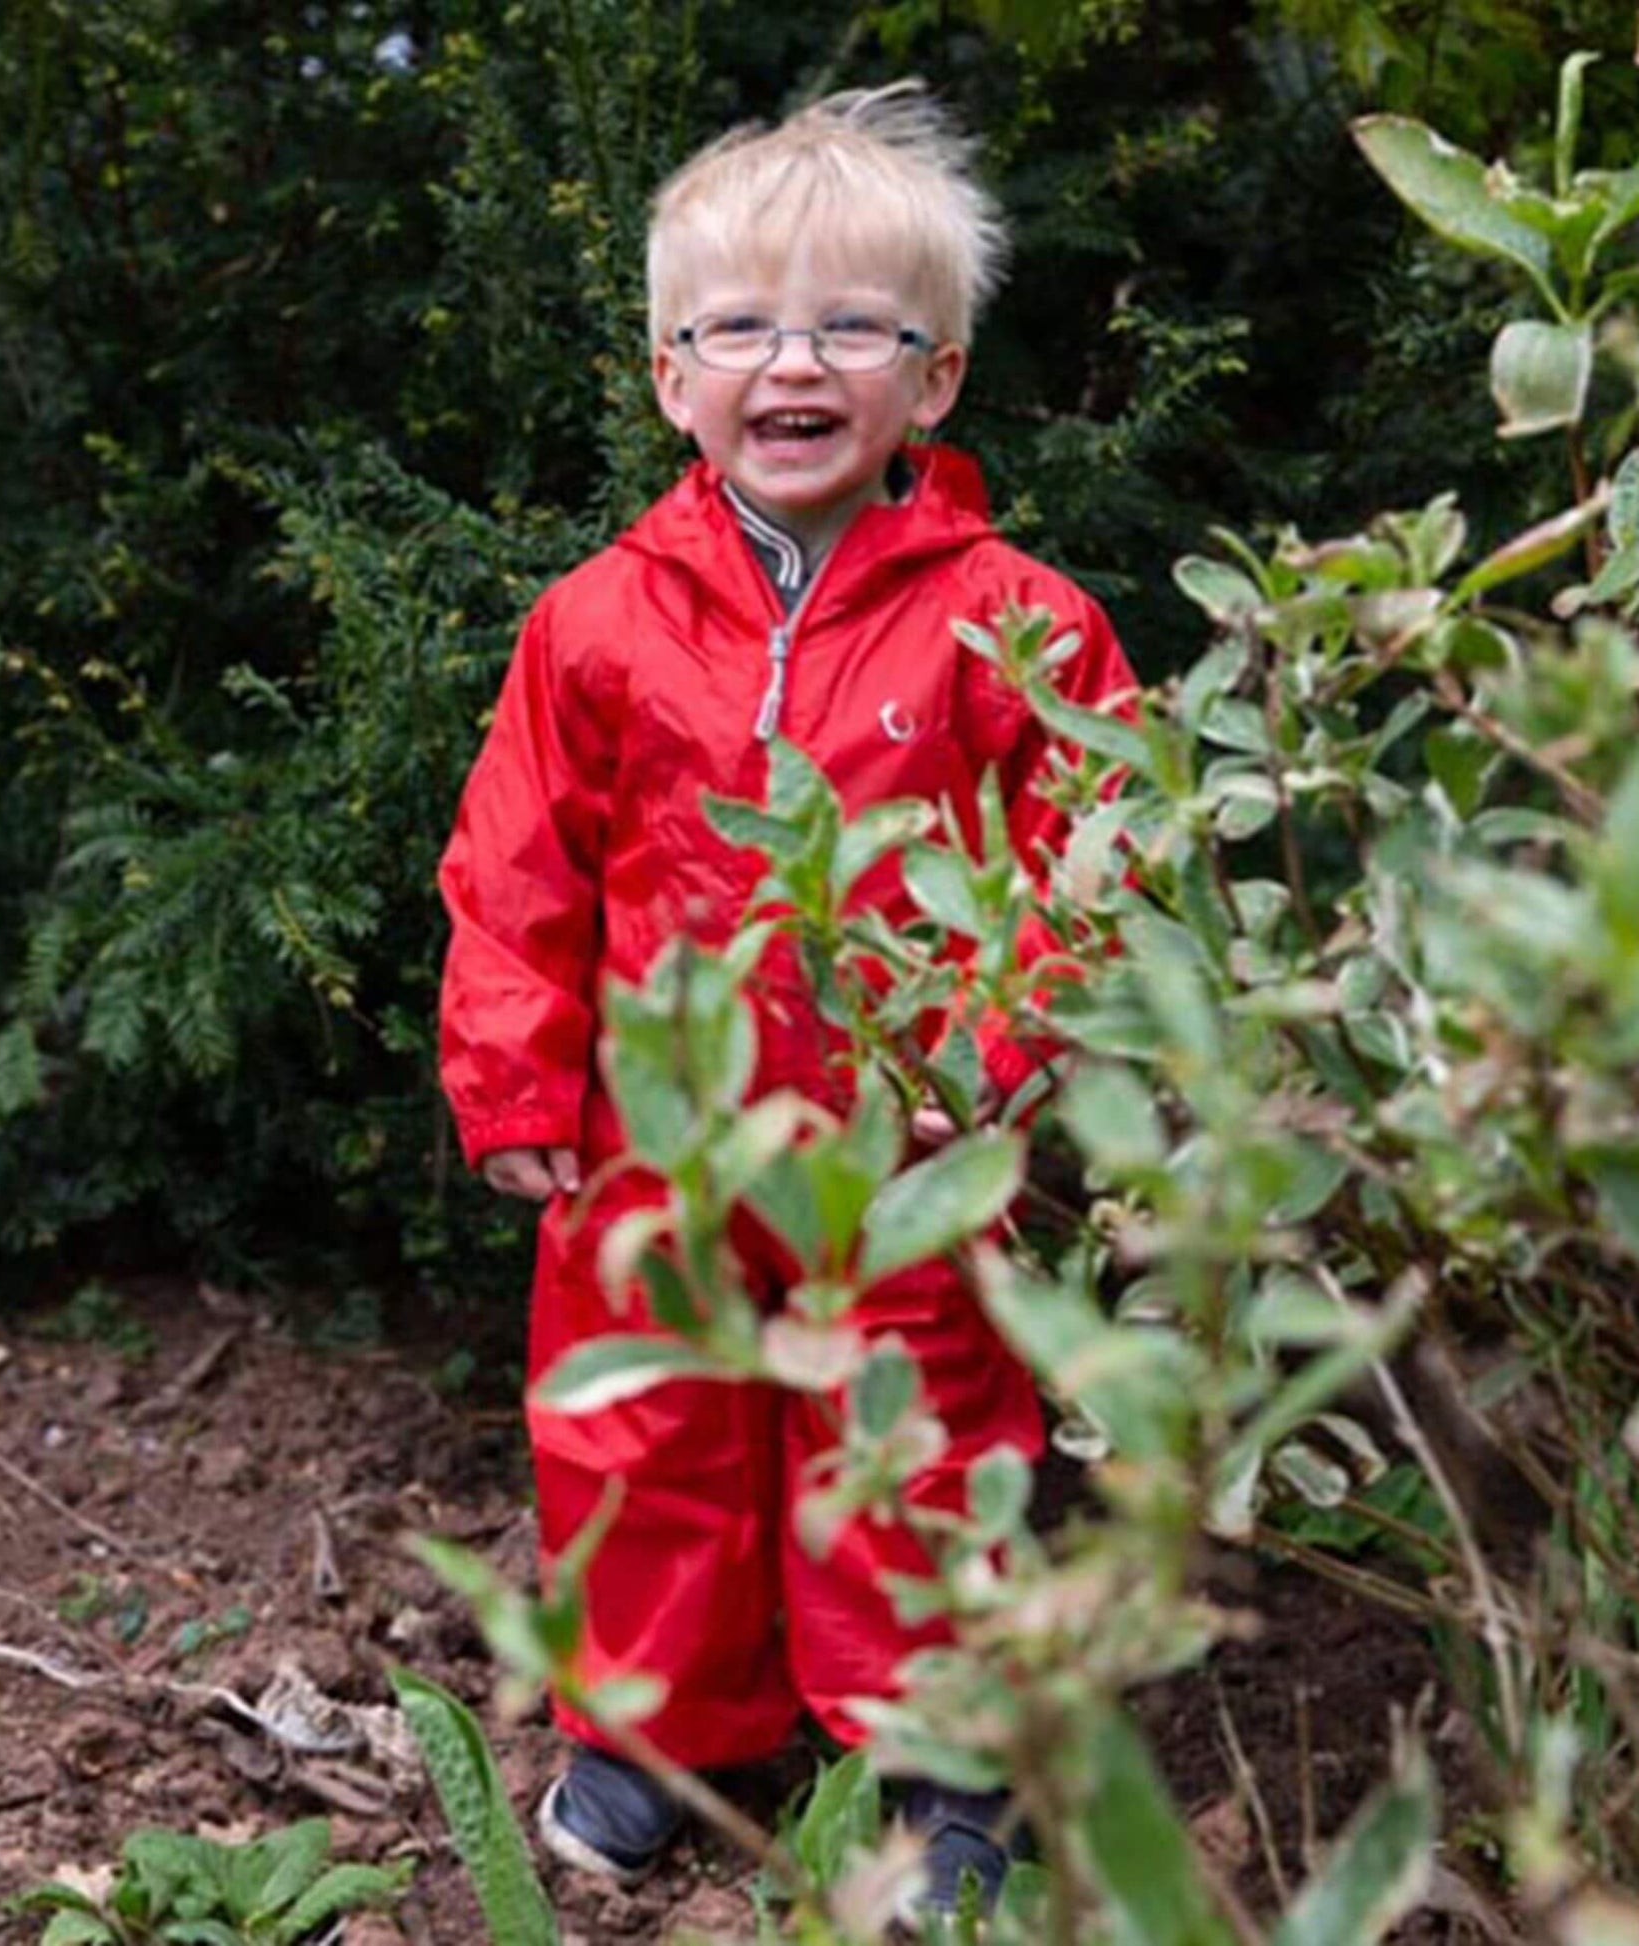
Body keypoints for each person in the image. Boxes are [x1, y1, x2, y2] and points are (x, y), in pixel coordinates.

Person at [437, 80, 1136, 1910]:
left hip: (895, 1136)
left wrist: (996, 1061)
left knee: (918, 1423)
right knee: (637, 1428)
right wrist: (516, 1088)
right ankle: (654, 1731)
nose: (792, 361)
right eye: (739, 325)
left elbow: (1094, 851)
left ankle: (938, 1764)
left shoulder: (1018, 620)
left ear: (937, 378)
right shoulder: (593, 621)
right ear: (672, 377)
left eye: (849, 326)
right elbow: (516, 867)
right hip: (652, 1132)